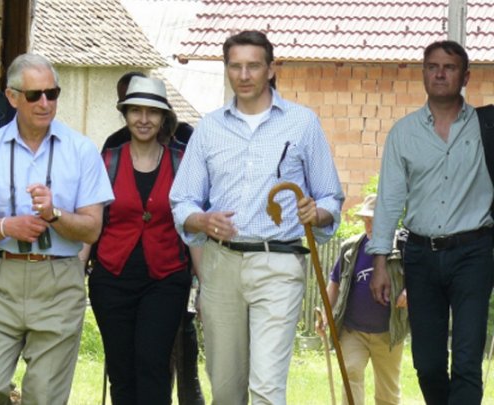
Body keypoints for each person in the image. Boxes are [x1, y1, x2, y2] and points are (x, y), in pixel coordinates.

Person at [169, 30, 344, 404]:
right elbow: (182, 200)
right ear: (226, 69)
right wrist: (202, 220)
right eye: (235, 66)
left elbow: (331, 197)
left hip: (278, 264)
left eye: (253, 66)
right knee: (227, 388)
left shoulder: (302, 123)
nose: (244, 75)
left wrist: (319, 211)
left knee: (266, 388)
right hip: (220, 264)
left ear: (271, 69)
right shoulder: (210, 127)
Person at [0, 53, 113, 404]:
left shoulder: (81, 150)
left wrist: (55, 215)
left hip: (58, 280)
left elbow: (92, 229)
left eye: (52, 94)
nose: (45, 103)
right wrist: (7, 225)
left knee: (43, 396)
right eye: (34, 95)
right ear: (12, 97)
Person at [369, 40, 494, 405]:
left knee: (468, 360)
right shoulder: (403, 133)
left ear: (465, 75)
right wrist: (380, 260)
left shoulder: (487, 127)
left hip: (475, 252)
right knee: (428, 364)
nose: (440, 73)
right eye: (433, 66)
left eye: (450, 67)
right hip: (421, 256)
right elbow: (390, 200)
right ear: (423, 72)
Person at [98, 71, 205, 405]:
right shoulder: (107, 161)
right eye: (135, 111)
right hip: (111, 278)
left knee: (154, 366)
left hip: (166, 280)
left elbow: (193, 229)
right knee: (121, 370)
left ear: (163, 118)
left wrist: (205, 286)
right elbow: (92, 222)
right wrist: (75, 270)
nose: (143, 119)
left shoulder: (183, 163)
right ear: (125, 114)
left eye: (152, 112)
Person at [319, 194, 408, 405]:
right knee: (350, 374)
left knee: (387, 392)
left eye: (374, 220)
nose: (368, 224)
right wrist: (325, 314)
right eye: (366, 219)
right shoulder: (351, 249)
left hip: (388, 332)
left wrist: (409, 292)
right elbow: (335, 282)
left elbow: (421, 277)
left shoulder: (402, 247)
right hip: (353, 331)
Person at [102, 71, 194, 150]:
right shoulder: (113, 148)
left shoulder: (185, 137)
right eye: (135, 109)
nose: (143, 120)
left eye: (153, 111)